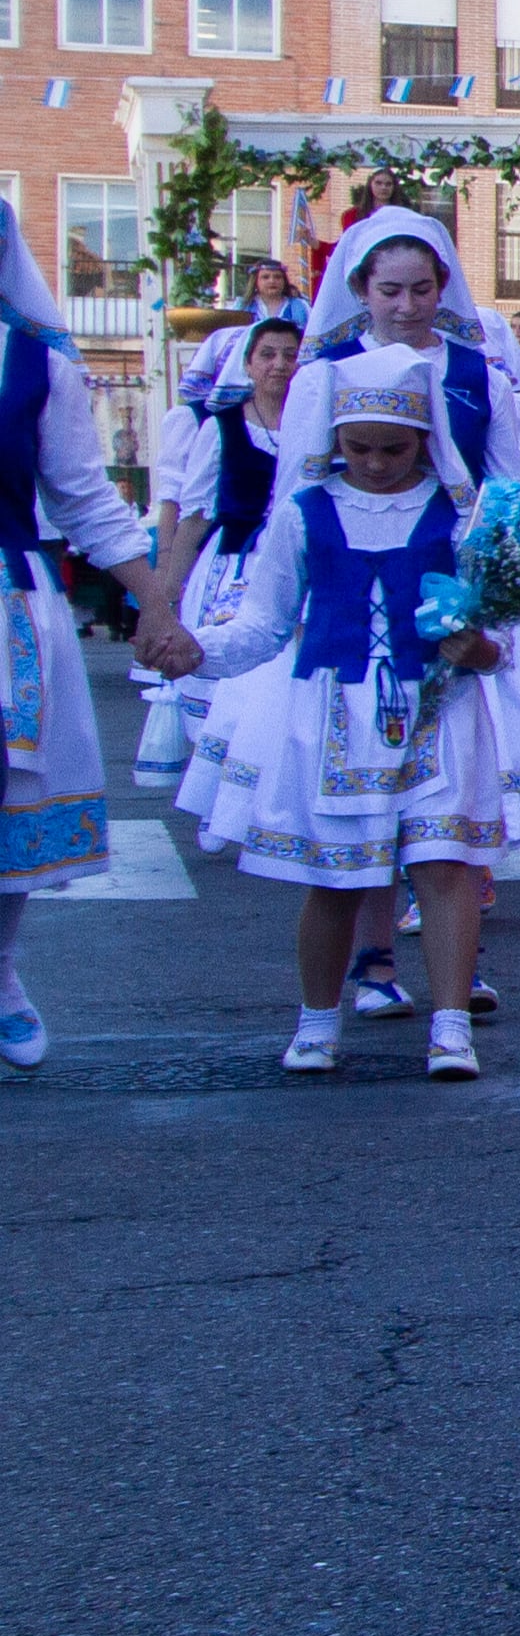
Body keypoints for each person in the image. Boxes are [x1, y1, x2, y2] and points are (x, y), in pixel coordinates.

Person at [156, 345, 520, 1083]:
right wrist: (193, 650)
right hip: (330, 712)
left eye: (392, 447)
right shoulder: (303, 514)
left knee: (444, 862)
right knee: (334, 878)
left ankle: (452, 1026)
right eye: (358, 446)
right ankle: (316, 1020)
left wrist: (481, 649)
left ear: (425, 438)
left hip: (439, 709)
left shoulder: (461, 514)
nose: (374, 462)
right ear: (333, 438)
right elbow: (264, 626)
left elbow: (502, 633)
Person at [282, 206, 520, 1018]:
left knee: (457, 790)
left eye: (420, 289)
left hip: (462, 604)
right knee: (364, 796)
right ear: (360, 291)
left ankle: (455, 967)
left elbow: (514, 503)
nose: (406, 306)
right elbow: (300, 498)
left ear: (442, 287)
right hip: (359, 604)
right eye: (389, 290)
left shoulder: (475, 373)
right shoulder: (330, 372)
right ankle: (373, 963)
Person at [0, 195, 181, 1072]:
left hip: (9, 605)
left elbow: (82, 497)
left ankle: (0, 972)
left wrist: (154, 600)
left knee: (12, 793)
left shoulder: (36, 364)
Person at [135, 313, 301, 798]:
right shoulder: (222, 427)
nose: (280, 365)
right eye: (268, 355)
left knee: (277, 683)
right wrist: (168, 585)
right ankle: (218, 795)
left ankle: (261, 793)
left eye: (290, 355)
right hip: (232, 567)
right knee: (230, 677)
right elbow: (197, 513)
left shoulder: (316, 424)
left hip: (293, 564)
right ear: (248, 364)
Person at [176, 257, 309, 411]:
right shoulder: (243, 305)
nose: (272, 281)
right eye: (265, 277)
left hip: (287, 366)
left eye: (277, 277)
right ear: (256, 281)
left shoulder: (300, 306)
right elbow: (231, 338)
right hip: (248, 367)